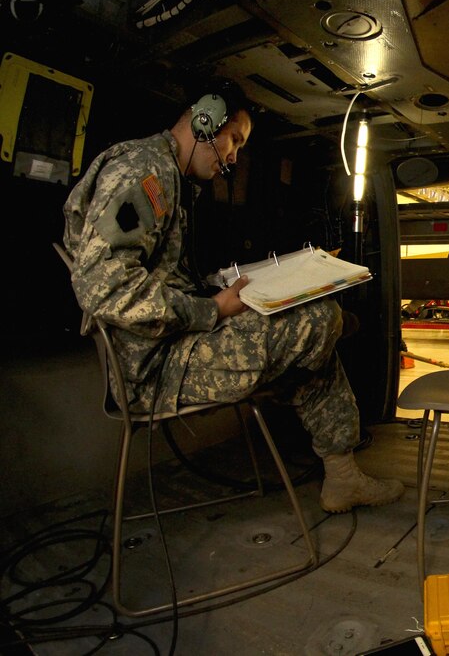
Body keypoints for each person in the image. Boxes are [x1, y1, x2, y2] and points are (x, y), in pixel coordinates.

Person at [61, 83, 404, 513]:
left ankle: (343, 476)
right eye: (235, 140)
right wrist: (212, 308)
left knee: (313, 332)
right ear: (205, 119)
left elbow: (154, 278)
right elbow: (101, 286)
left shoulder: (169, 177)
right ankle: (342, 473)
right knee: (315, 323)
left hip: (173, 347)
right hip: (153, 367)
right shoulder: (144, 172)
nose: (234, 156)